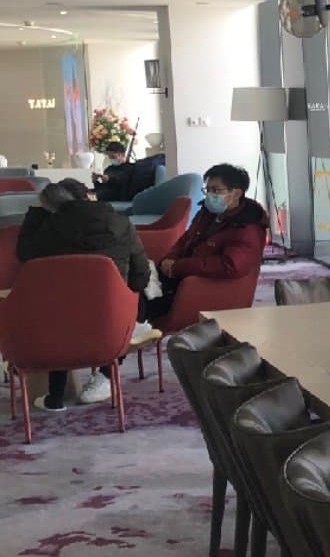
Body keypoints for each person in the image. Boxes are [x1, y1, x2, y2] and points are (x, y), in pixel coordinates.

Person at [15, 179, 154, 412]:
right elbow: (141, 275)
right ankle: (105, 376)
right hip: (112, 320)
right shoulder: (122, 223)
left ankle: (55, 396)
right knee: (131, 303)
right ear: (88, 196)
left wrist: (38, 213)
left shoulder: (50, 228)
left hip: (61, 323)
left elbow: (24, 254)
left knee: (61, 307)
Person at [147, 163, 268, 323]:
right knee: (137, 277)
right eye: (208, 190)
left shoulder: (247, 227)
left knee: (142, 299)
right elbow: (186, 239)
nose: (210, 195)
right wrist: (169, 259)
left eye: (216, 190)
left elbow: (230, 265)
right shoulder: (207, 213)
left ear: (236, 193)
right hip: (179, 275)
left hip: (199, 283)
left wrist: (178, 267)